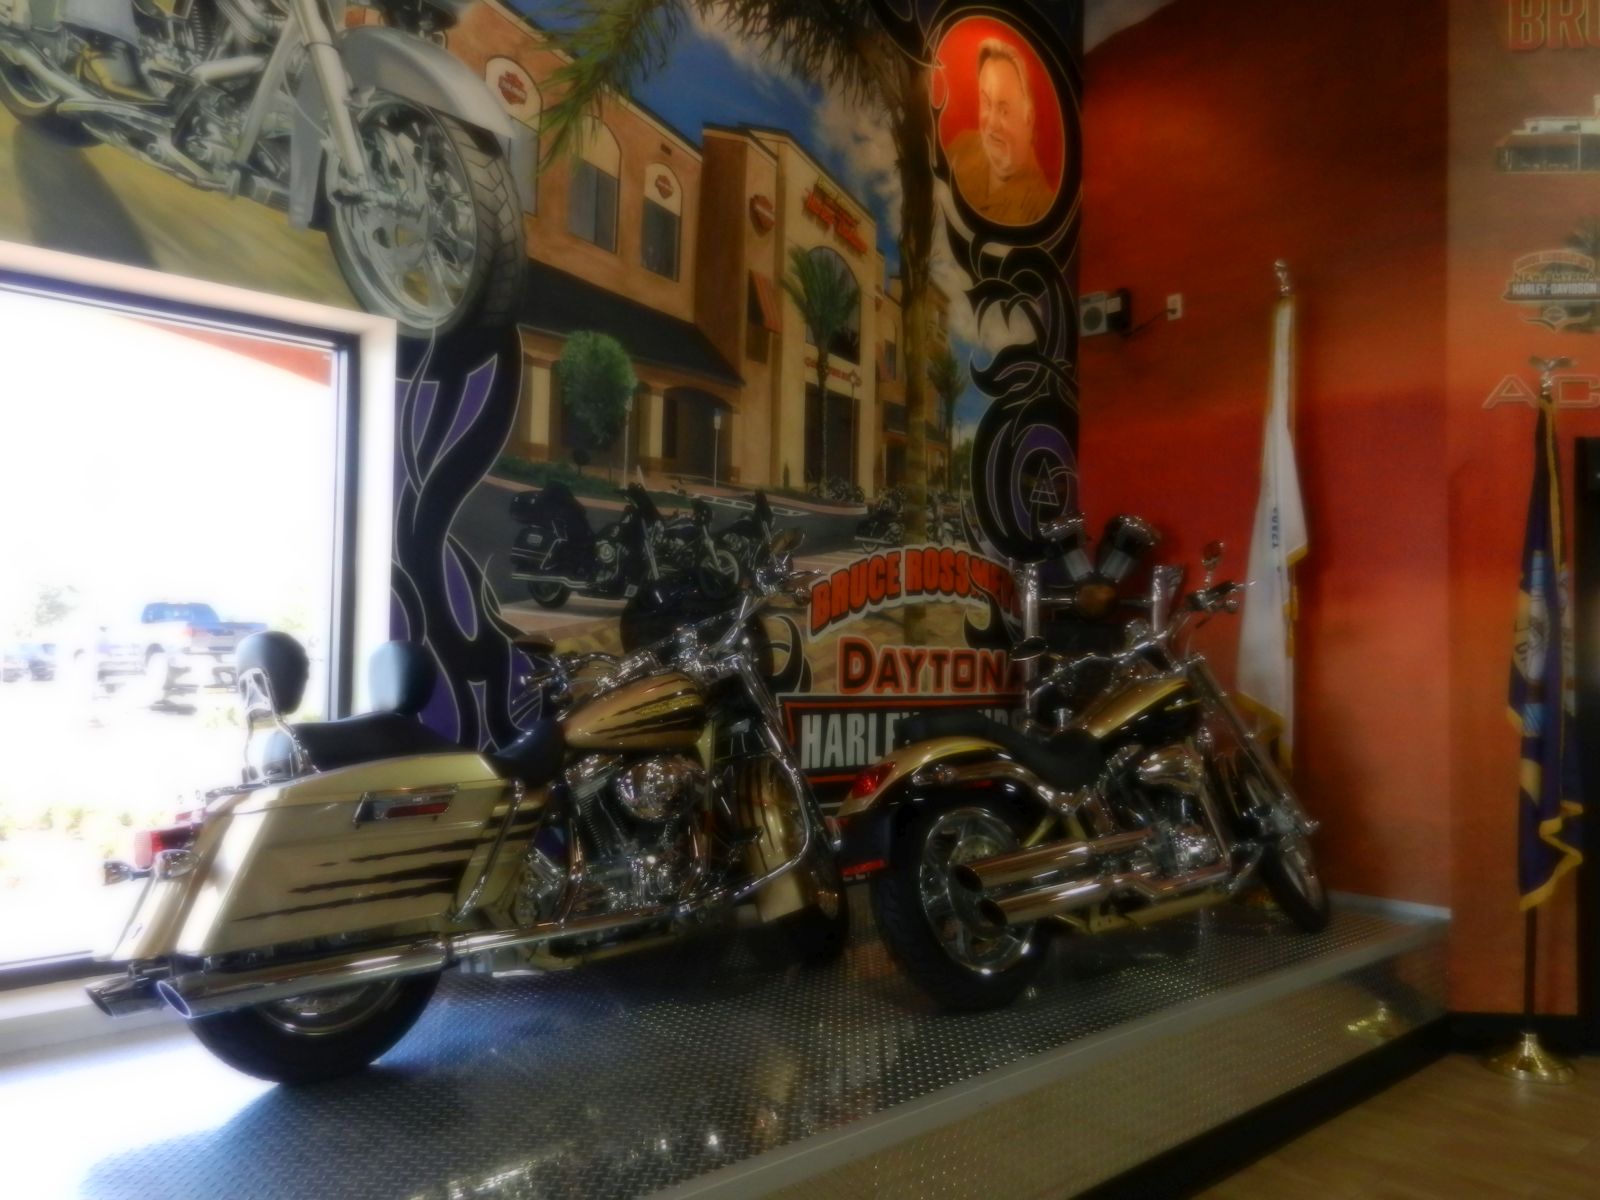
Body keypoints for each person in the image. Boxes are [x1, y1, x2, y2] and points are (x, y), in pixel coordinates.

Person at [948, 38, 1054, 226]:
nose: (991, 124)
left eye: (1004, 110)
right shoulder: (961, 147)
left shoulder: (1040, 210)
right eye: (986, 103)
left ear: (1029, 118)